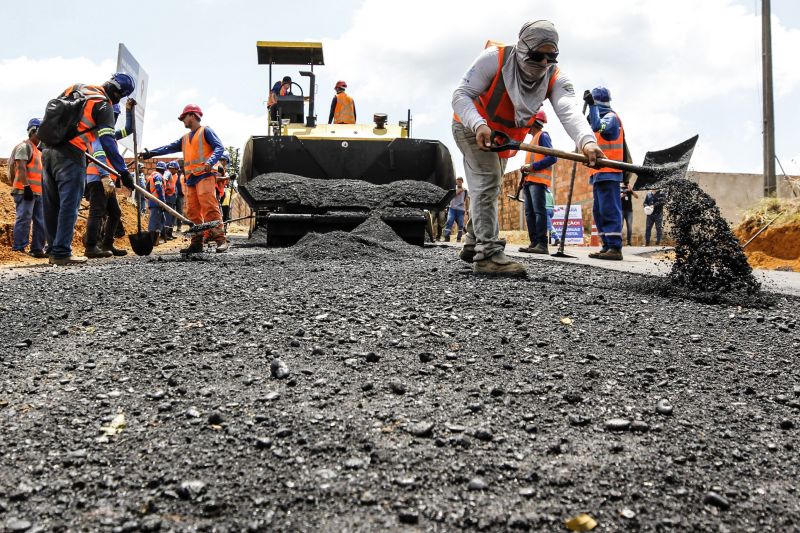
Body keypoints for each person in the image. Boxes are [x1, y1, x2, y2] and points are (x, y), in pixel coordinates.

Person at [452, 21, 602, 276]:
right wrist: (478, 124)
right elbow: (460, 95)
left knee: (489, 185)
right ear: (523, 48)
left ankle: (472, 242)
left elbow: (568, 108)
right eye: (536, 56)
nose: (544, 63)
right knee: (487, 182)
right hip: (470, 127)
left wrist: (587, 141)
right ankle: (487, 255)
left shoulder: (554, 76)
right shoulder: (495, 59)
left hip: (501, 138)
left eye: (550, 56)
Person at [42, 73, 136, 265]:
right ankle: (61, 253)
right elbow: (108, 143)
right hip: (71, 154)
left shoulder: (77, 87)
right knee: (69, 205)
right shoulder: (104, 105)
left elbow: (52, 113)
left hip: (48, 150)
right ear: (118, 94)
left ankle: (52, 249)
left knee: (51, 205)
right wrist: (124, 172)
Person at [141, 104, 227, 253]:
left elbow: (219, 147)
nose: (182, 121)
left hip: (205, 175)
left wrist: (210, 162)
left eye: (184, 117)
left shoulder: (205, 131)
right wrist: (151, 153)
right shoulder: (185, 138)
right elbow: (168, 147)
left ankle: (220, 239)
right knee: (192, 211)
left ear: (193, 116)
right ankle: (196, 243)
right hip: (191, 178)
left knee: (208, 205)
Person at [83, 100, 135, 258]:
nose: (113, 119)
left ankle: (107, 244)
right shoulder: (98, 133)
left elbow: (128, 130)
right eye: (113, 115)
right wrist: (105, 176)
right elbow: (98, 154)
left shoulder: (110, 134)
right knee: (97, 212)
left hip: (106, 180)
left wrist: (128, 110)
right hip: (98, 179)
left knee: (115, 213)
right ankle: (91, 247)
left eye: (116, 116)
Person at [585, 86, 625, 260]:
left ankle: (615, 248)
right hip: (598, 174)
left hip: (610, 172)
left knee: (609, 209)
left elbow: (597, 126)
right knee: (598, 211)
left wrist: (591, 106)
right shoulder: (598, 115)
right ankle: (607, 245)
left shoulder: (610, 117)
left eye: (594, 103)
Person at [9, 118, 47, 258]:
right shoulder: (24, 147)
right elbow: (21, 167)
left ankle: (37, 249)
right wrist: (26, 187)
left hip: (38, 192)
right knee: (24, 219)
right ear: (33, 131)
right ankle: (19, 249)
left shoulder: (37, 150)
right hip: (24, 191)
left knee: (40, 221)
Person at [518, 109, 555, 254]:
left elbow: (552, 158)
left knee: (539, 212)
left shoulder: (542, 136)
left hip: (538, 182)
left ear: (533, 121)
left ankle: (542, 244)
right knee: (529, 213)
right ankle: (534, 243)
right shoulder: (532, 140)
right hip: (529, 181)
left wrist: (532, 167)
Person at [146, 162, 166, 244]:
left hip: (154, 201)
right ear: (163, 170)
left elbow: (147, 189)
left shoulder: (152, 176)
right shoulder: (158, 176)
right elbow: (158, 189)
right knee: (154, 221)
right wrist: (162, 201)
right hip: (156, 201)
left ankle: (157, 239)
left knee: (162, 220)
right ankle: (152, 241)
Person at [444, 177, 469, 242]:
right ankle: (446, 238)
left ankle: (459, 238)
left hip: (461, 210)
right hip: (452, 209)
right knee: (449, 221)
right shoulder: (453, 189)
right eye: (457, 181)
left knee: (461, 224)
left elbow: (467, 200)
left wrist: (467, 209)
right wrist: (460, 190)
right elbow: (451, 196)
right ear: (456, 182)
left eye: (460, 181)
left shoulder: (465, 191)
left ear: (462, 182)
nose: (459, 182)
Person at [161, 161, 178, 241]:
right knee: (167, 217)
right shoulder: (167, 173)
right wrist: (164, 191)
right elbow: (163, 180)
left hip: (172, 198)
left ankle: (169, 233)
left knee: (172, 217)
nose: (177, 171)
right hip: (168, 198)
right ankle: (165, 234)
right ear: (173, 168)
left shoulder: (173, 174)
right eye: (176, 169)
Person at [620, 182, 639, 246]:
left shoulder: (629, 190)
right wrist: (622, 195)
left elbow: (637, 197)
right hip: (621, 210)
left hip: (629, 211)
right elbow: (615, 198)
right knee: (620, 225)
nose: (625, 186)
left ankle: (629, 242)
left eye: (627, 184)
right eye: (624, 184)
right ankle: (619, 241)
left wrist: (631, 190)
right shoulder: (619, 189)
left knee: (629, 227)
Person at [171, 161, 186, 231]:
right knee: (174, 210)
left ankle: (179, 226)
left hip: (180, 195)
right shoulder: (172, 176)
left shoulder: (182, 176)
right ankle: (172, 226)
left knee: (179, 211)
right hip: (173, 195)